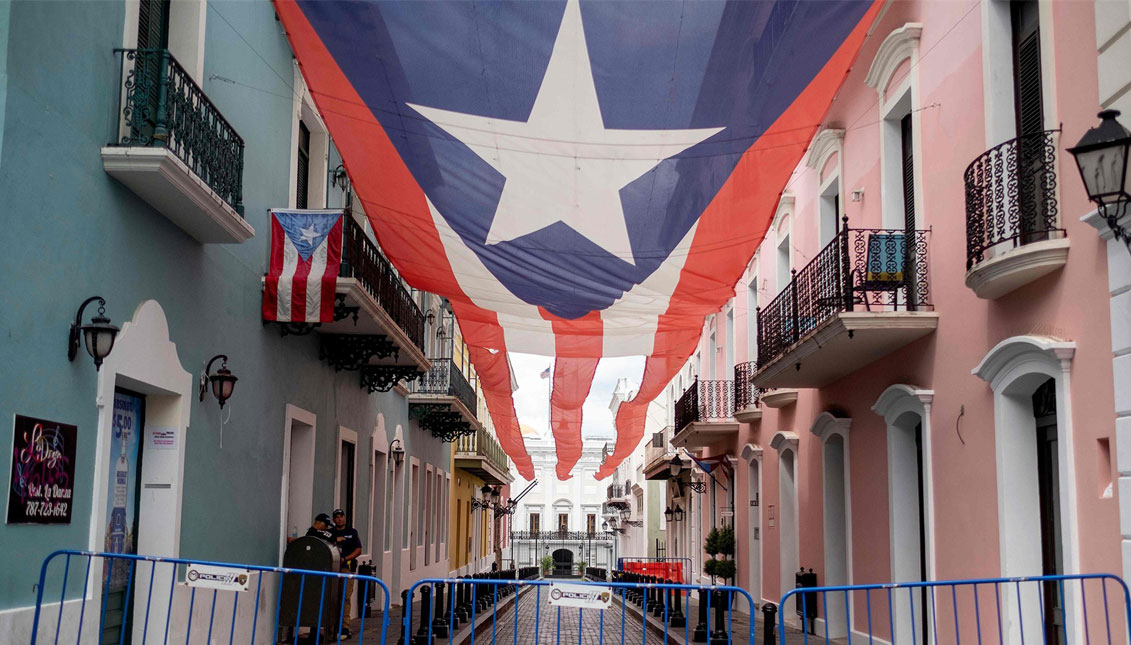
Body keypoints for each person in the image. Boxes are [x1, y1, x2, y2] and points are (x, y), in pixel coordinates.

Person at [331, 508, 362, 639]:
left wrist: (346, 558)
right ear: (334, 520)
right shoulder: (330, 533)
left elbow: (358, 549)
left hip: (346, 567)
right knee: (332, 598)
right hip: (332, 568)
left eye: (341, 516)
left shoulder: (352, 532)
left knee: (345, 597)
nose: (339, 519)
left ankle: (344, 627)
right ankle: (332, 625)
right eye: (337, 517)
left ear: (344, 518)